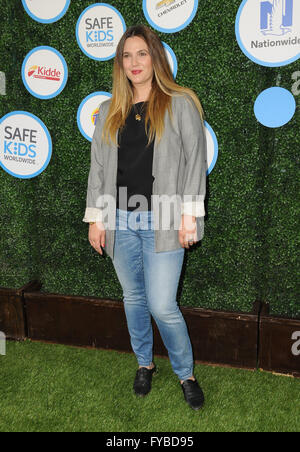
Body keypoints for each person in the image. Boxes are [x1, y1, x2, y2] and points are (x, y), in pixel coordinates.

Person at [83, 24, 207, 411]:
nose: (134, 62)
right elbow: (99, 168)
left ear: (155, 57)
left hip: (165, 217)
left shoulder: (180, 102)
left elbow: (194, 164)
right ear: (119, 63)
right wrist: (96, 219)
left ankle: (185, 373)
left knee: (162, 305)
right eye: (126, 55)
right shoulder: (108, 110)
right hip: (118, 217)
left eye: (142, 53)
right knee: (133, 298)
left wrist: (190, 216)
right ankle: (144, 363)